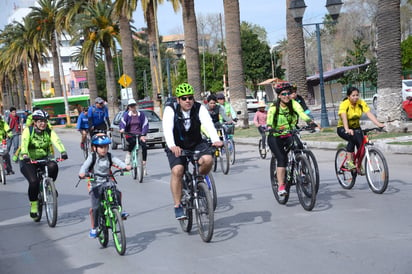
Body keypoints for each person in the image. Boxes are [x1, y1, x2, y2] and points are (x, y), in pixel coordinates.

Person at [162, 83, 222, 220]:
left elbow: (208, 124)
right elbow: (167, 128)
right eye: (184, 98)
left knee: (208, 160)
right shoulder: (171, 109)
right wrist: (172, 145)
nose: (188, 101)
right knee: (177, 170)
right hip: (177, 145)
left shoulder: (199, 108)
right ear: (178, 100)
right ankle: (177, 206)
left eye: (190, 98)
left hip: (195, 143)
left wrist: (216, 139)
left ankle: (198, 180)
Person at [266, 83, 317, 196]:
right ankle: (281, 186)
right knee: (282, 159)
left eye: (288, 93)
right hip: (275, 136)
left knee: (299, 147)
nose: (286, 96)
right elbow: (269, 117)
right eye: (283, 94)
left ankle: (302, 170)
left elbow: (301, 113)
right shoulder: (275, 107)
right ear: (279, 96)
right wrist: (270, 127)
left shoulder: (294, 104)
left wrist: (310, 122)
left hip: (289, 133)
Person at [78, 134, 131, 238]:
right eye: (101, 147)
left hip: (107, 181)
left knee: (117, 192)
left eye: (106, 147)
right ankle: (94, 228)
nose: (104, 149)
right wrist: (82, 173)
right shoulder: (92, 157)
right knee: (96, 207)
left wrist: (126, 167)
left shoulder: (110, 156)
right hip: (95, 184)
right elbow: (84, 166)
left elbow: (118, 162)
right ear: (94, 147)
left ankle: (119, 210)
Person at [19, 110, 68, 220]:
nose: (43, 124)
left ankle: (50, 186)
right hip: (28, 160)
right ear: (35, 122)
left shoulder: (48, 131)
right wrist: (25, 154)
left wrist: (63, 151)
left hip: (43, 159)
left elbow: (56, 140)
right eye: (40, 121)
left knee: (53, 166)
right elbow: (24, 143)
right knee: (33, 182)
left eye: (45, 121)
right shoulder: (28, 130)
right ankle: (34, 205)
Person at [337, 86, 384, 170]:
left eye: (357, 95)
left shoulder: (361, 103)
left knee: (361, 146)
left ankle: (358, 164)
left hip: (356, 127)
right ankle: (348, 162)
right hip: (342, 127)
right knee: (352, 137)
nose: (355, 97)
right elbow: (344, 117)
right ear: (348, 96)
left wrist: (378, 124)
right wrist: (347, 129)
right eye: (353, 95)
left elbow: (369, 113)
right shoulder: (344, 104)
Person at [119, 99, 149, 175]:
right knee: (132, 143)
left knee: (144, 145)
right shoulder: (127, 115)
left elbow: (145, 123)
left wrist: (143, 134)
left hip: (140, 134)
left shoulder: (141, 114)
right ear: (129, 107)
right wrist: (122, 129)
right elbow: (122, 122)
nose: (133, 107)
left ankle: (143, 164)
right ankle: (129, 154)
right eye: (131, 106)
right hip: (130, 134)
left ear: (136, 106)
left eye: (134, 105)